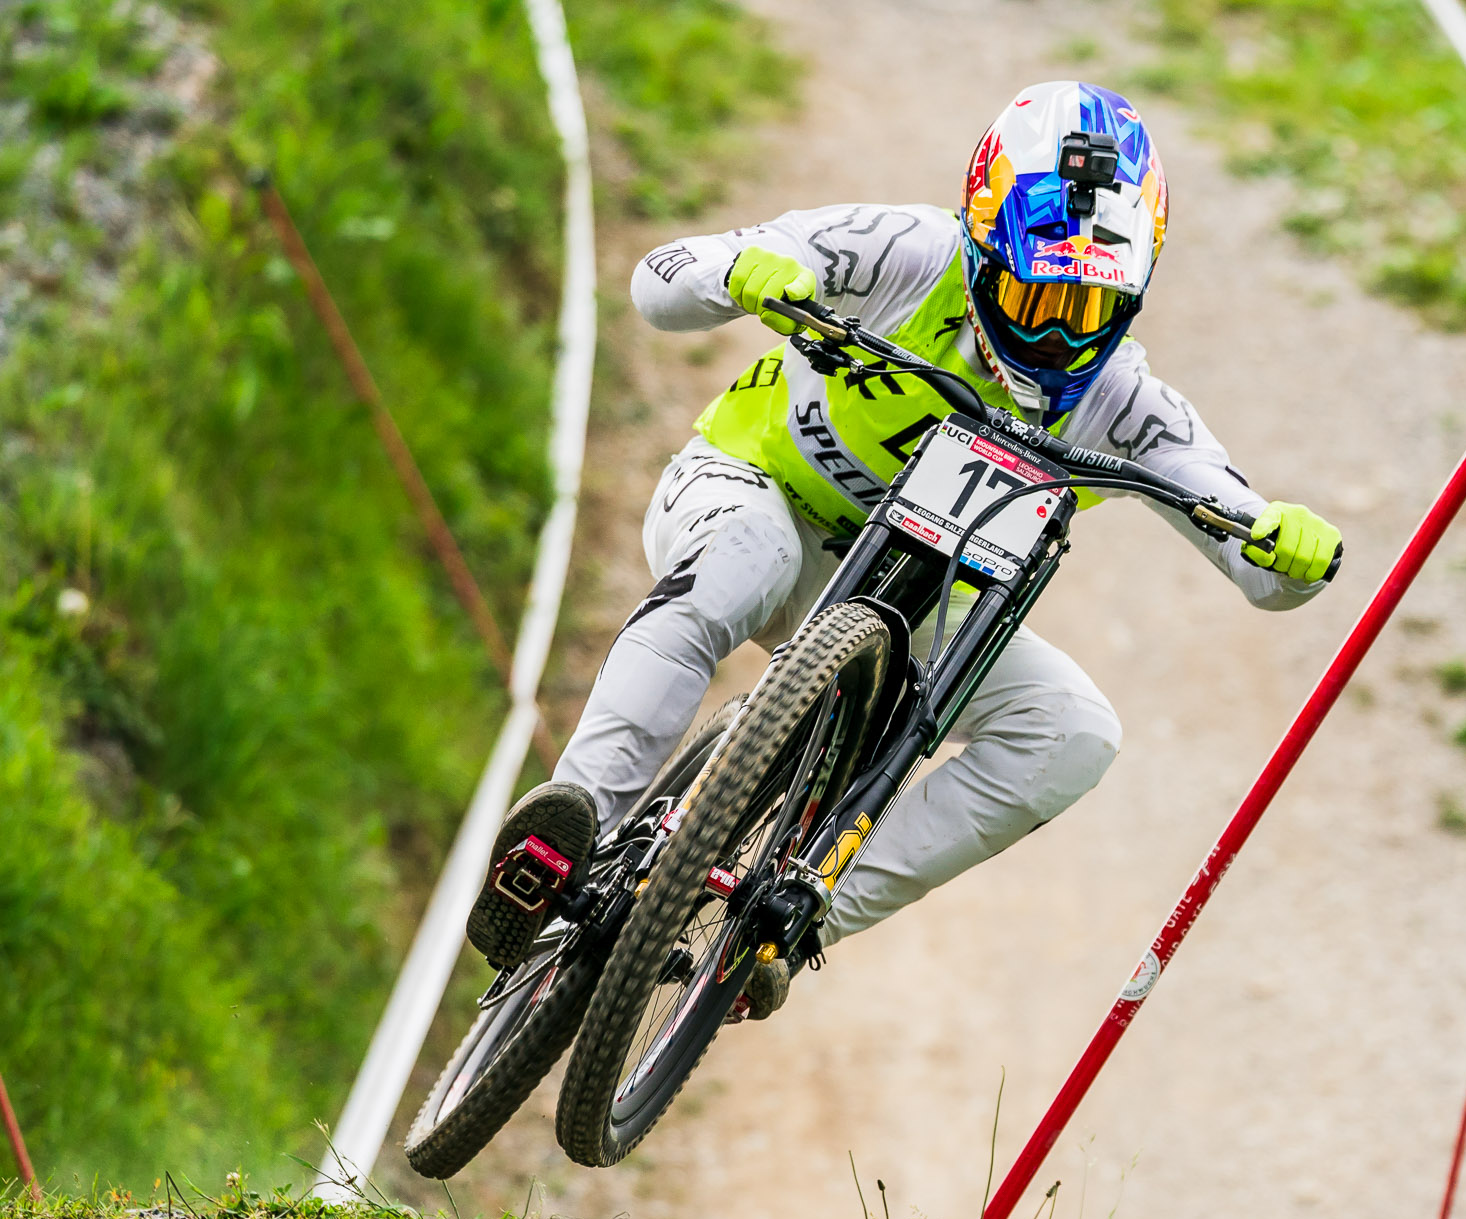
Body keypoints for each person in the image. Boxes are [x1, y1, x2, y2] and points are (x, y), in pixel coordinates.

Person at [465, 81, 1341, 1017]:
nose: (1052, 332)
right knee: (743, 561)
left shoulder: (1127, 402)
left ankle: (792, 924)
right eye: (1031, 291)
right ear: (979, 244)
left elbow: (1256, 564)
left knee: (1073, 733)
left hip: (902, 597)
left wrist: (1283, 541)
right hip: (752, 496)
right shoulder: (903, 250)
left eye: (1087, 311)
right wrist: (742, 273)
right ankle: (563, 834)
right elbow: (659, 280)